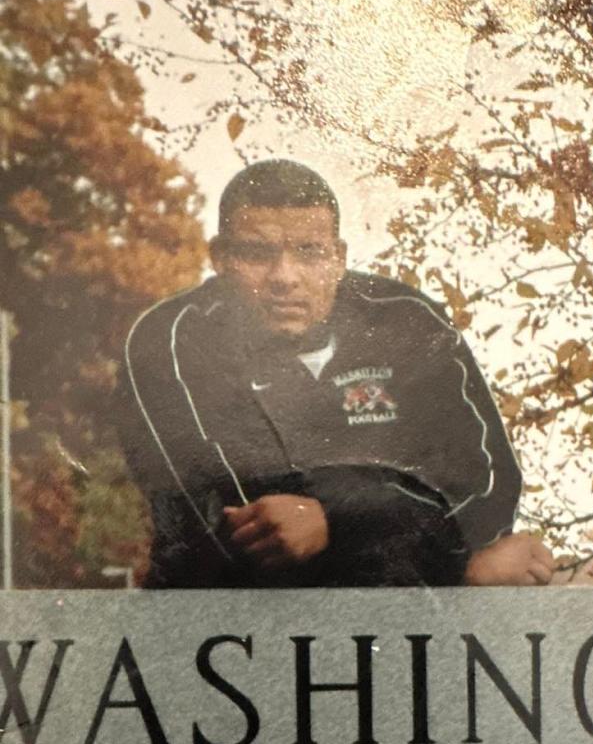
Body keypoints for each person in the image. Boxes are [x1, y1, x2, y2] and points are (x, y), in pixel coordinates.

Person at [118, 159, 553, 587]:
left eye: (309, 252)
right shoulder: (169, 339)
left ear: (339, 257)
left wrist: (330, 520)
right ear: (220, 258)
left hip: (402, 630)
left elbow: (486, 488)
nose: (284, 276)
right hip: (226, 634)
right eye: (258, 253)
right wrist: (457, 567)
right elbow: (247, 527)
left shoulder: (407, 323)